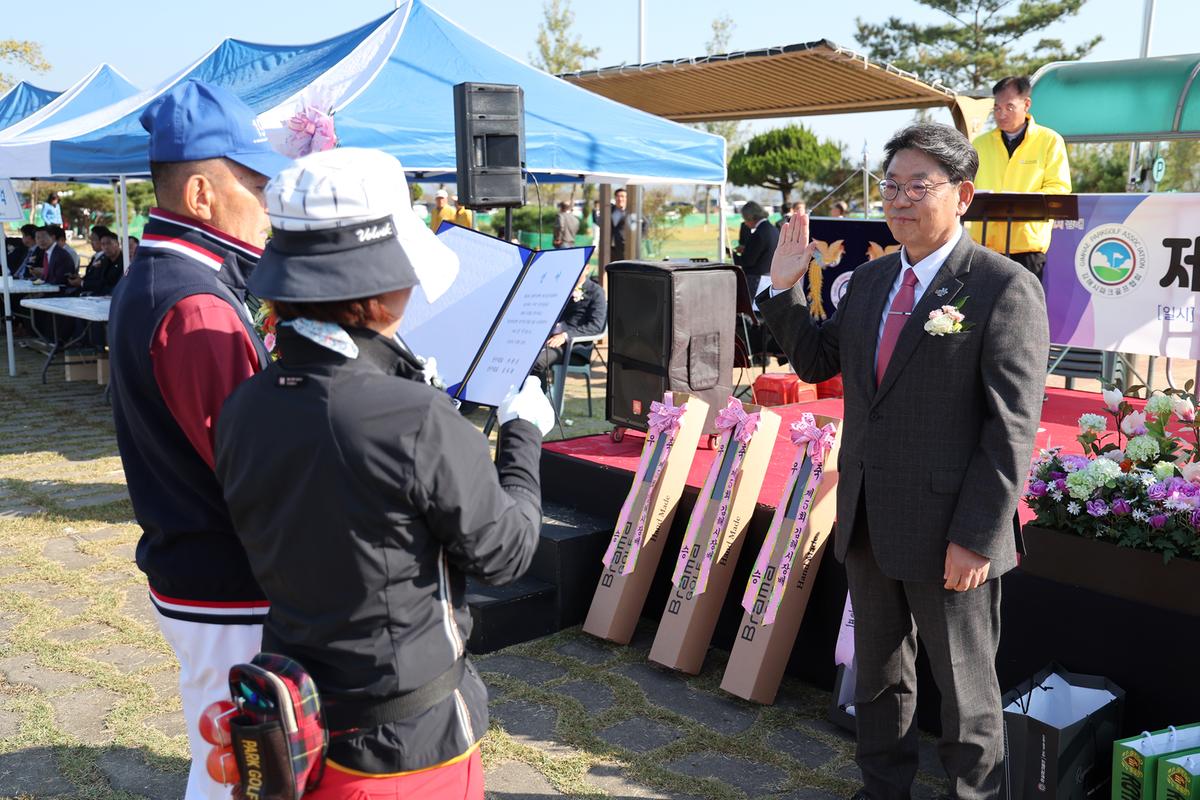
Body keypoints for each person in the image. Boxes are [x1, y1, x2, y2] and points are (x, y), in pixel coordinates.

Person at [214, 147, 554, 799]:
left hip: (301, 717)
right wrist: (522, 435)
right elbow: (506, 553)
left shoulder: (245, 404)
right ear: (374, 290)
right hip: (408, 747)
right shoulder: (411, 418)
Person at [759, 122, 1048, 800]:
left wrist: (976, 535)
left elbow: (1011, 429)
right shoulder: (870, 281)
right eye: (891, 185)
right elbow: (817, 362)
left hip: (951, 532)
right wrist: (782, 290)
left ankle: (974, 793)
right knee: (880, 676)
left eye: (919, 186)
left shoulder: (1002, 287)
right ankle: (882, 788)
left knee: (966, 691)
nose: (899, 199)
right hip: (868, 517)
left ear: (963, 195)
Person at [106, 78, 292, 800]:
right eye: (257, 186)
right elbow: (254, 467)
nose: (268, 206)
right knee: (239, 773)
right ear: (203, 195)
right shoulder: (194, 303)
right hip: (225, 584)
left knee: (226, 761)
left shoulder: (164, 277)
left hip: (201, 569)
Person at [970, 75, 1071, 278]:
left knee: (1023, 298)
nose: (1001, 114)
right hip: (984, 245)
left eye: (1009, 107)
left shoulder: (1050, 140)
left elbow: (1059, 188)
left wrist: (1020, 202)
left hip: (1026, 246)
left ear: (1026, 104)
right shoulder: (979, 144)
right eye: (997, 108)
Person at [531, 270, 606, 390]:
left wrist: (565, 336)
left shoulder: (596, 291)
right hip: (551, 340)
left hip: (575, 348)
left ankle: (538, 398)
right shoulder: (562, 288)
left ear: (587, 268)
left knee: (536, 362)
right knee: (525, 358)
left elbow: (596, 326)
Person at [733, 200, 779, 295]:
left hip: (756, 279)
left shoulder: (758, 233)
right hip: (771, 276)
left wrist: (733, 255)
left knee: (752, 304)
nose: (745, 223)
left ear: (750, 217)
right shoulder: (774, 229)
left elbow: (748, 261)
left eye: (745, 219)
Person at [69, 231, 123, 295]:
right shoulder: (104, 261)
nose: (106, 247)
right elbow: (97, 280)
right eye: (103, 244)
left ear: (117, 244)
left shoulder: (124, 262)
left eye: (109, 243)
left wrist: (82, 283)